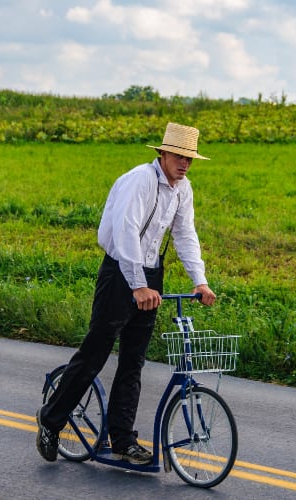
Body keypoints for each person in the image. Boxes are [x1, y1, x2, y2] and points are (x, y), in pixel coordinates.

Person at [36, 122, 216, 465]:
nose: (185, 164)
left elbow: (185, 234)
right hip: (121, 272)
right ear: (162, 153)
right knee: (95, 353)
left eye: (190, 159)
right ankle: (50, 419)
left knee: (134, 361)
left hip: (151, 276)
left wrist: (200, 280)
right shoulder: (140, 180)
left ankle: (122, 439)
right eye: (179, 156)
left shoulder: (183, 189)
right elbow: (125, 232)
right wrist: (137, 285)